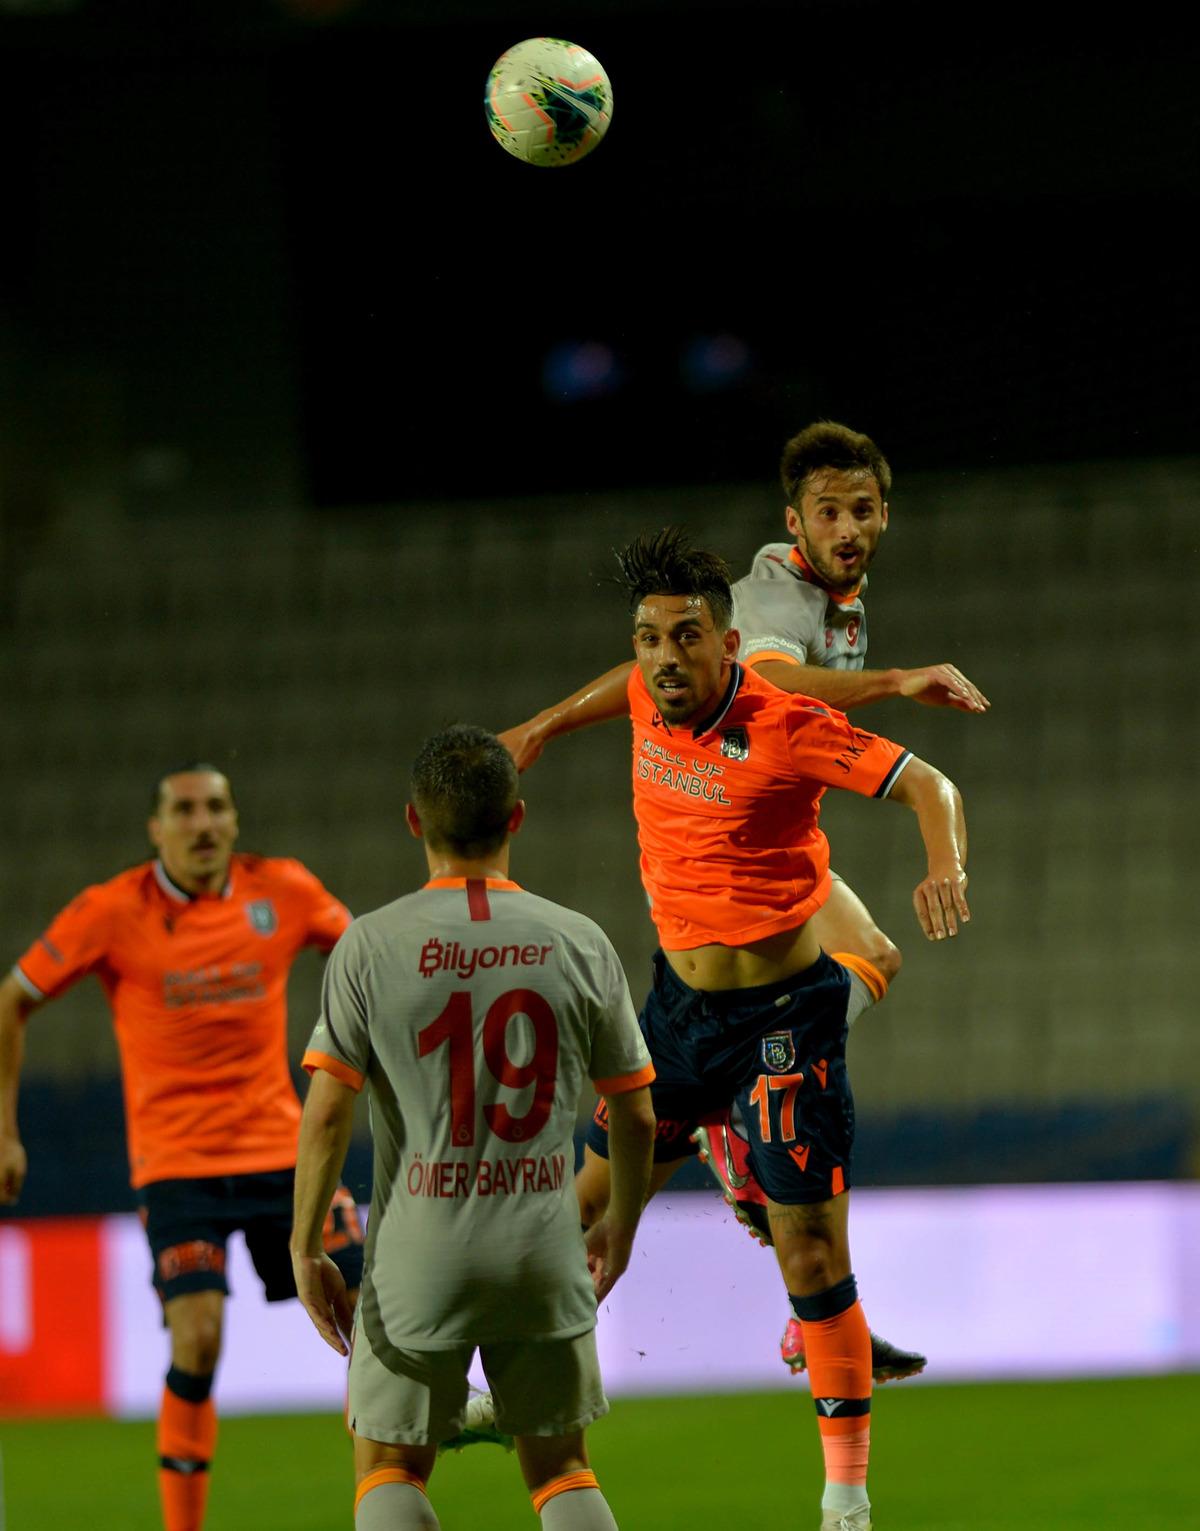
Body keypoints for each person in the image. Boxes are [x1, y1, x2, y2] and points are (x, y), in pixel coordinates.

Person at [499, 420, 988, 1380]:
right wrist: (894, 682)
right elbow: (760, 687)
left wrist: (551, 720)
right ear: (793, 520)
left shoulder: (831, 588)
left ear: (885, 513)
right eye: (827, 511)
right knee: (802, 1041)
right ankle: (743, 1152)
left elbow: (670, 679)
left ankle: (790, 1262)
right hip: (726, 856)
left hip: (776, 846)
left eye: (860, 509)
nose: (846, 527)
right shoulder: (770, 599)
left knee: (873, 960)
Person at [290, 724, 656, 1531]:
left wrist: (306, 1242)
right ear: (517, 819)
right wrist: (621, 1221)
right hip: (541, 1244)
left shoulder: (370, 945)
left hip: (418, 1252)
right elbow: (634, 1108)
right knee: (562, 1469)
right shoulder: (580, 940)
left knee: (388, 1466)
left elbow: (325, 1112)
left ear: (414, 822)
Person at [0, 764, 365, 1531]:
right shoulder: (110, 909)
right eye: (185, 810)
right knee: (197, 1338)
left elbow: (370, 954)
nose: (203, 824)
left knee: (366, 1314)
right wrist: (4, 1130)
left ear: (234, 822)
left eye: (216, 808)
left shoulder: (284, 889)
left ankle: (388, 1496)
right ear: (155, 829)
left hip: (278, 1152)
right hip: (177, 1167)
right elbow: (14, 998)